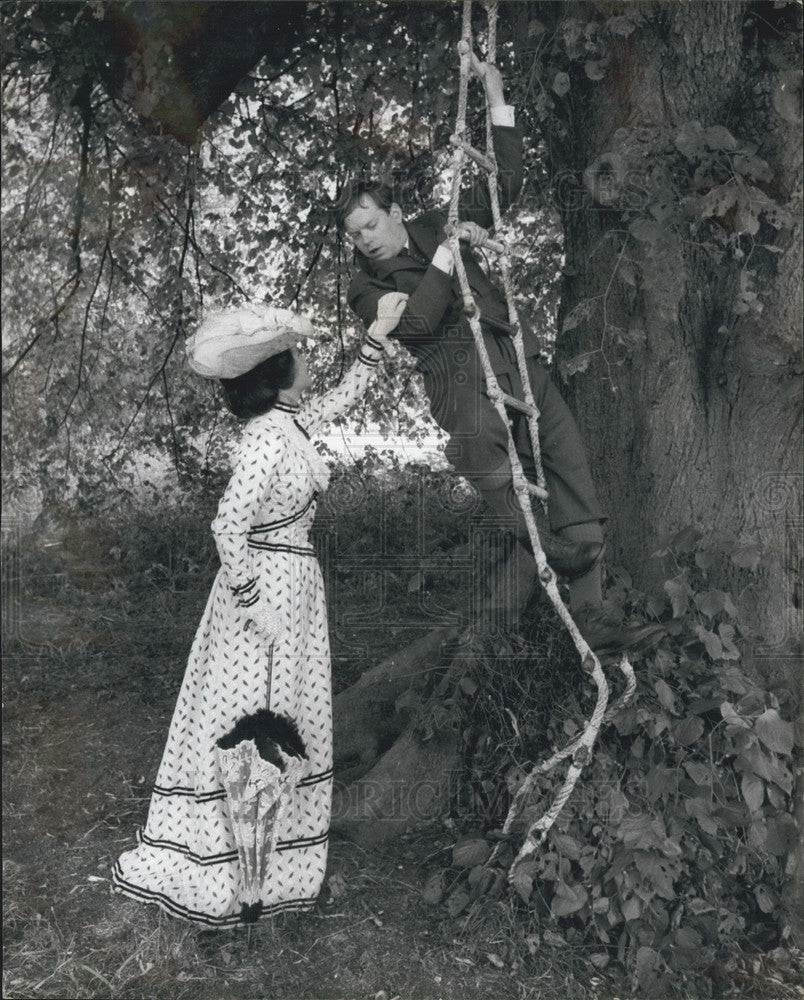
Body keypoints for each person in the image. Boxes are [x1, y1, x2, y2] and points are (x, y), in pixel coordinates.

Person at [334, 56, 661, 655]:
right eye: (356, 234)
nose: (367, 240)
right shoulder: (365, 287)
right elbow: (421, 322)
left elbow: (505, 187)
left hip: (519, 360)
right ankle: (543, 544)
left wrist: (496, 93)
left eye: (372, 225)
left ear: (396, 213)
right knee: (485, 456)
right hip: (462, 384)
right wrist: (445, 257)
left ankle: (594, 619)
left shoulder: (439, 222)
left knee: (569, 467)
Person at [112, 294, 408, 926]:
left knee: (287, 717)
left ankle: (272, 868)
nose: (305, 365)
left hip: (294, 586)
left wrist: (378, 333)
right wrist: (254, 603)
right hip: (265, 595)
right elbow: (227, 528)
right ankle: (237, 871)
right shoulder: (264, 443)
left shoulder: (287, 426)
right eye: (296, 358)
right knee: (252, 723)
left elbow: (343, 400)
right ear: (276, 377)